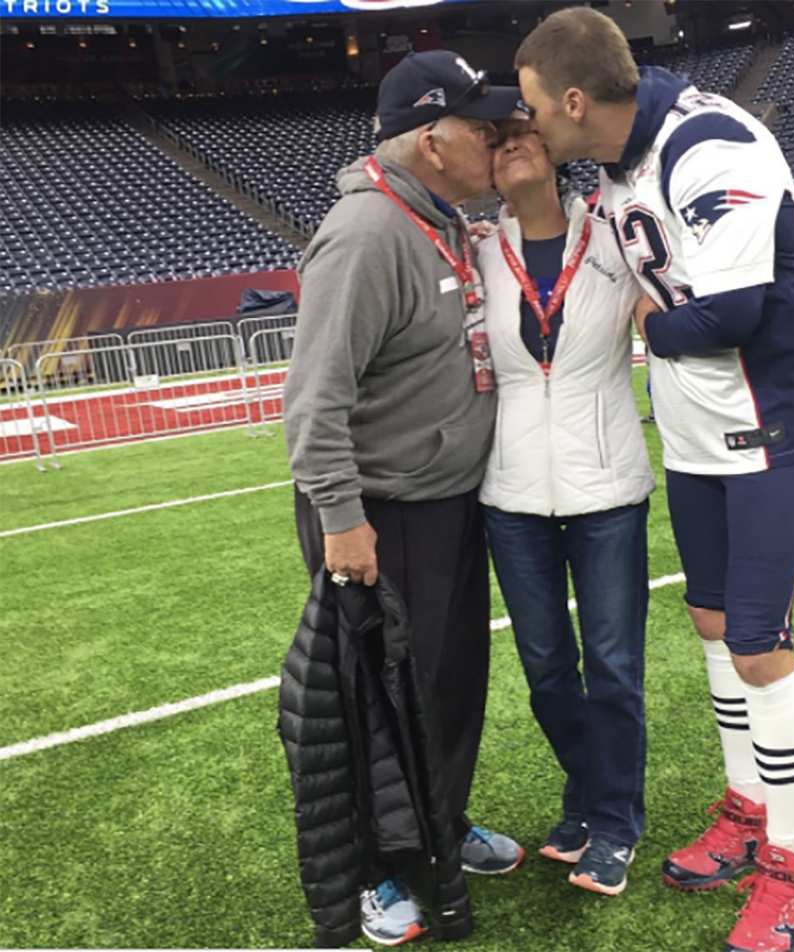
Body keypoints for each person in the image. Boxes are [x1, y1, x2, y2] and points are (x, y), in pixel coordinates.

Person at [516, 10, 794, 952]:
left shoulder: (710, 138)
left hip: (770, 426)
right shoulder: (617, 170)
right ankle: (746, 808)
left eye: (535, 106)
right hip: (698, 436)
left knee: (757, 645)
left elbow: (734, 310)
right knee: (710, 628)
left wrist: (651, 329)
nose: (531, 123)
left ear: (576, 102)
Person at [283, 50, 524, 947]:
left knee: (448, 688)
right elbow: (313, 400)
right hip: (381, 512)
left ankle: (438, 827)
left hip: (446, 503)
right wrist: (343, 517)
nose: (497, 143)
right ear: (433, 138)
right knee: (373, 703)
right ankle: (380, 871)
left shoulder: (439, 218)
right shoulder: (367, 233)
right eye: (484, 129)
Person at [477, 112, 654, 896]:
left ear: (554, 152)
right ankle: (587, 791)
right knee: (548, 670)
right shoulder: (479, 251)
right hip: (511, 493)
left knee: (614, 669)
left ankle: (614, 821)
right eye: (495, 141)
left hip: (608, 485)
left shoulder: (615, 237)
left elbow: (678, 299)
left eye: (523, 132)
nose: (510, 144)